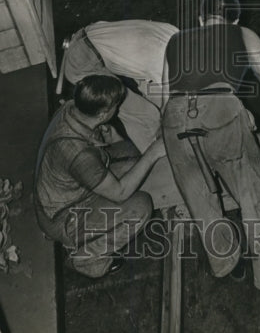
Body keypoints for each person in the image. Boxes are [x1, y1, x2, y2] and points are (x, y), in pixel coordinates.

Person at [161, 0, 260, 301]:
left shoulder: (175, 41)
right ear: (234, 19)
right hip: (220, 113)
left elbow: (165, 96)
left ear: (201, 20)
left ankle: (227, 263)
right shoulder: (243, 34)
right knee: (254, 196)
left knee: (200, 199)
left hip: (173, 120)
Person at [34, 74, 167, 279]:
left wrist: (108, 137)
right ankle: (87, 259)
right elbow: (120, 193)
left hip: (66, 193)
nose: (118, 109)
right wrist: (154, 152)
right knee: (140, 206)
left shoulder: (71, 108)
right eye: (116, 106)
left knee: (133, 164)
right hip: (64, 216)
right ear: (103, 113)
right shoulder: (77, 153)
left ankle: (82, 238)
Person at [60, 19, 179, 152]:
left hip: (89, 40)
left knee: (153, 105)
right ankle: (157, 161)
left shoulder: (173, 32)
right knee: (146, 116)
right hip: (82, 64)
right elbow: (169, 110)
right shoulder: (162, 63)